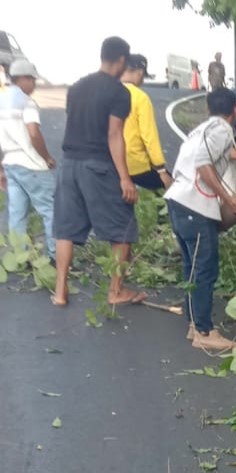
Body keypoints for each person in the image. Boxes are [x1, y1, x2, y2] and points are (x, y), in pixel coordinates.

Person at [52, 36, 146, 307]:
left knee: (66, 229)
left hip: (68, 164)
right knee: (123, 228)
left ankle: (60, 292)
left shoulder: (77, 86)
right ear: (121, 61)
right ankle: (116, 291)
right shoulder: (119, 92)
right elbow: (114, 134)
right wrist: (125, 179)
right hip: (97, 166)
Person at [164, 88, 236, 351]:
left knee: (192, 268)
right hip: (195, 205)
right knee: (205, 269)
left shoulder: (199, 130)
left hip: (177, 201)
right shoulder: (224, 130)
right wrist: (228, 199)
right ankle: (204, 330)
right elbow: (204, 165)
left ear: (207, 106)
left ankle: (194, 325)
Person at [0, 59, 57, 261]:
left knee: (17, 213)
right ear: (22, 79)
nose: (33, 84)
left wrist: (0, 168)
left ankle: (20, 256)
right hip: (31, 164)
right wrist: (47, 158)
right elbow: (33, 133)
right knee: (50, 210)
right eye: (32, 80)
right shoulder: (26, 102)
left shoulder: (1, 100)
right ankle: (56, 257)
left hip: (11, 164)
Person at [121, 54, 173, 190]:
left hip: (110, 163)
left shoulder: (108, 92)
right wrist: (161, 169)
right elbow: (149, 136)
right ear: (139, 72)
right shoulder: (140, 97)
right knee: (171, 189)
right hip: (136, 166)